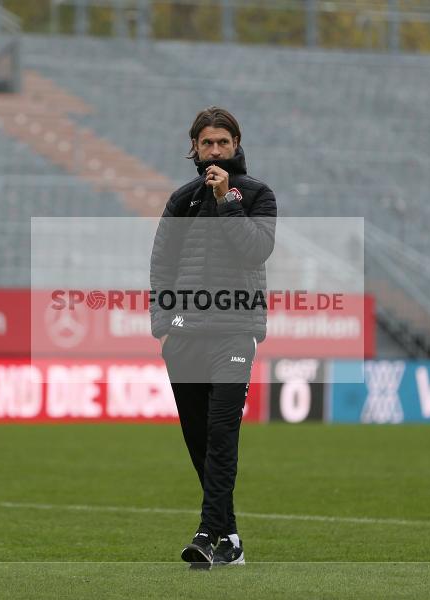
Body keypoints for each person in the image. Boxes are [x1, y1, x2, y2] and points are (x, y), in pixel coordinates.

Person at [149, 107, 277, 568]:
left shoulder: (258, 195)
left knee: (222, 434)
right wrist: (163, 326)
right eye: (207, 143)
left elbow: (256, 249)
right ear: (195, 149)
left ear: (237, 144)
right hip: (183, 338)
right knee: (198, 441)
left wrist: (227, 201)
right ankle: (231, 539)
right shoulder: (181, 200)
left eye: (223, 142)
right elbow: (161, 264)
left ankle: (206, 534)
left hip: (234, 334)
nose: (215, 151)